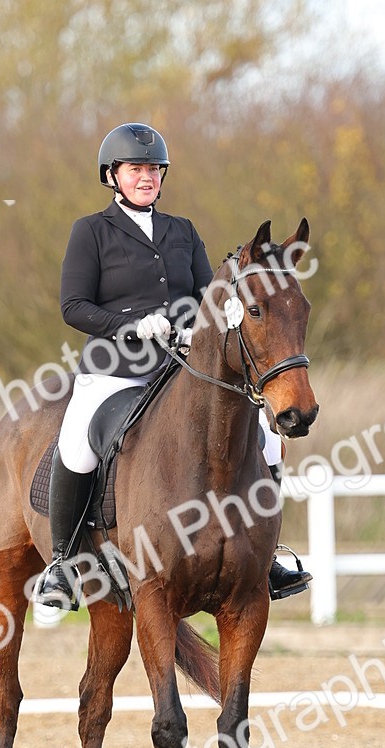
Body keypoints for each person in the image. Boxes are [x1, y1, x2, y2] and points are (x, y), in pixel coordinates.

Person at [37, 121, 311, 609]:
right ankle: (61, 562)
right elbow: (73, 306)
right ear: (112, 175)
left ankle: (264, 556)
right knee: (77, 443)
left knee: (267, 437)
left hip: (179, 368)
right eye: (136, 169)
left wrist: (211, 323)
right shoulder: (92, 232)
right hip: (113, 368)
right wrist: (132, 323)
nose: (147, 177)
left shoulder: (182, 231)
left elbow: (210, 296)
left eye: (154, 170)